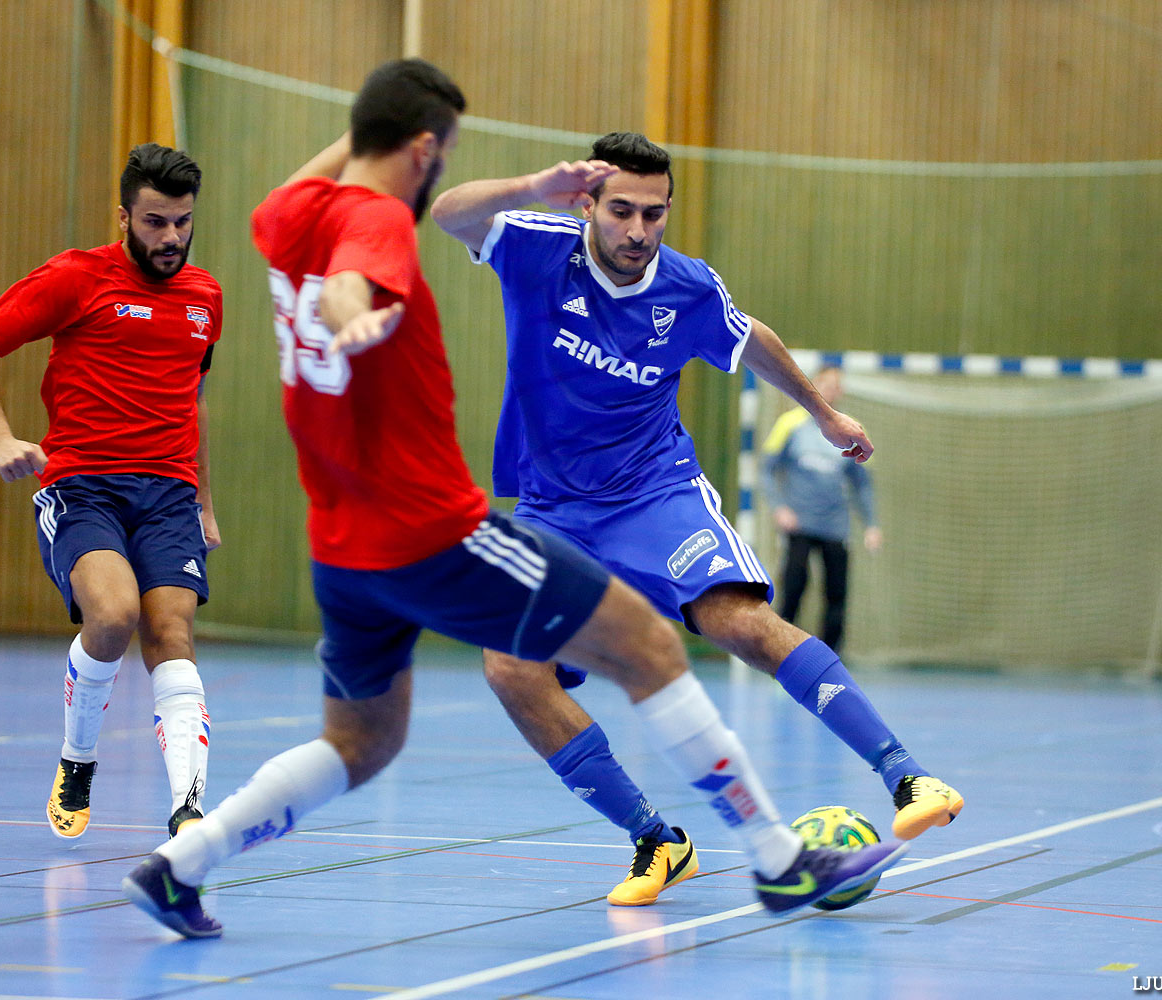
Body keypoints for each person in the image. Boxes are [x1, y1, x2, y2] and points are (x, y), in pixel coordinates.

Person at [120, 59, 905, 939]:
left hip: (342, 547)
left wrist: (381, 133)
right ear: (424, 149)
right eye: (443, 152)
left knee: (362, 742)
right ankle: (779, 860)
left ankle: (180, 866)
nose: (445, 171)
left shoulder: (290, 214)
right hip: (430, 530)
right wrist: (352, 314)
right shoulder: (376, 222)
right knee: (650, 644)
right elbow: (355, 274)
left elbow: (312, 201)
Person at [431, 132, 962, 907]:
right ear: (588, 204)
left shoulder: (688, 289)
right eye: (621, 211)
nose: (638, 231)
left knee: (738, 622)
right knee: (510, 668)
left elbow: (754, 341)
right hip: (550, 510)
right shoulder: (536, 247)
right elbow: (447, 212)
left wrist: (821, 412)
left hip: (654, 493)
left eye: (654, 213)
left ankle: (907, 775)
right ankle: (657, 841)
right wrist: (532, 184)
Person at [0, 143, 221, 842]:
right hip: (85, 486)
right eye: (155, 222)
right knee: (111, 615)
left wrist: (205, 503)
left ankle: (188, 810)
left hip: (169, 494)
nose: (170, 238)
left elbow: (190, 402)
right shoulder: (78, 277)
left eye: (182, 223)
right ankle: (78, 760)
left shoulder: (206, 298)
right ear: (126, 216)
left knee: (172, 633)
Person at [763, 364, 883, 653]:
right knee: (794, 590)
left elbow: (862, 483)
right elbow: (766, 470)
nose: (830, 390)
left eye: (836, 385)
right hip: (800, 525)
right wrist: (779, 508)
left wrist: (872, 524)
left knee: (836, 596)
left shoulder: (852, 430)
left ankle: (831, 663)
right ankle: (782, 656)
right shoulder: (789, 424)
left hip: (835, 528)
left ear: (840, 392)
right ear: (814, 385)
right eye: (825, 383)